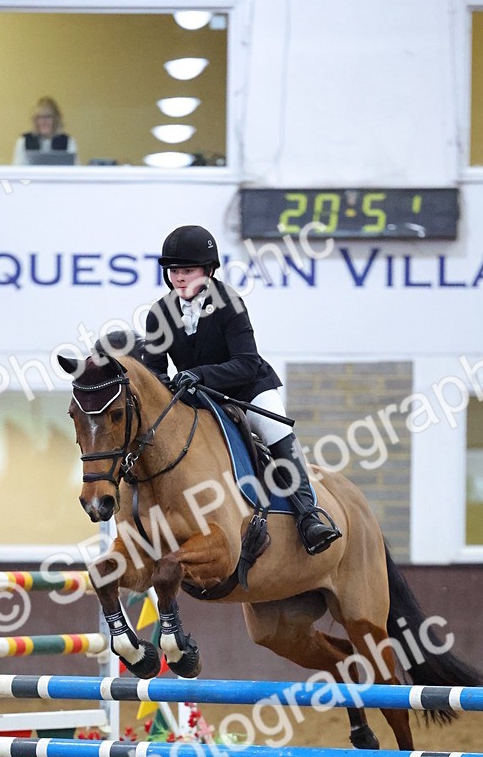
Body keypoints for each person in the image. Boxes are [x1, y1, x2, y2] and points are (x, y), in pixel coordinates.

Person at [142, 224, 341, 555]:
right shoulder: (159, 314)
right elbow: (154, 373)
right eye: (174, 271)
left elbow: (246, 362)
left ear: (207, 271)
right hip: (197, 398)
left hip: (247, 390)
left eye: (187, 270)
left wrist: (199, 374)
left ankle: (309, 516)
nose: (178, 277)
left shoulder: (228, 303)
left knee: (275, 428)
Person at [12, 96, 77, 165]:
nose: (44, 121)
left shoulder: (68, 142)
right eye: (39, 117)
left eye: (48, 117)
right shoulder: (23, 141)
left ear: (56, 119)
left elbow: (75, 171)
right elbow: (17, 171)